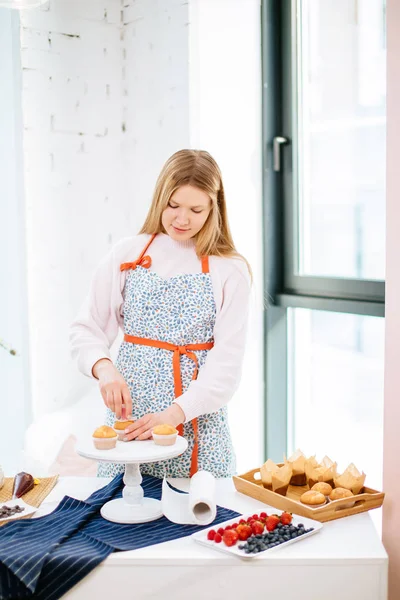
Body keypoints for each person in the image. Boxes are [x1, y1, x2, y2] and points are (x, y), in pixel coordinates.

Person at [70, 149, 251, 479]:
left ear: (214, 207)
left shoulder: (230, 271)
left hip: (197, 427)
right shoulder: (128, 254)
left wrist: (175, 414)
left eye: (196, 209)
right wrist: (105, 369)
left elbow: (226, 367)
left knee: (195, 521)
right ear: (159, 199)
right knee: (123, 514)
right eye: (173, 205)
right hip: (129, 421)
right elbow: (86, 328)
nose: (182, 219)